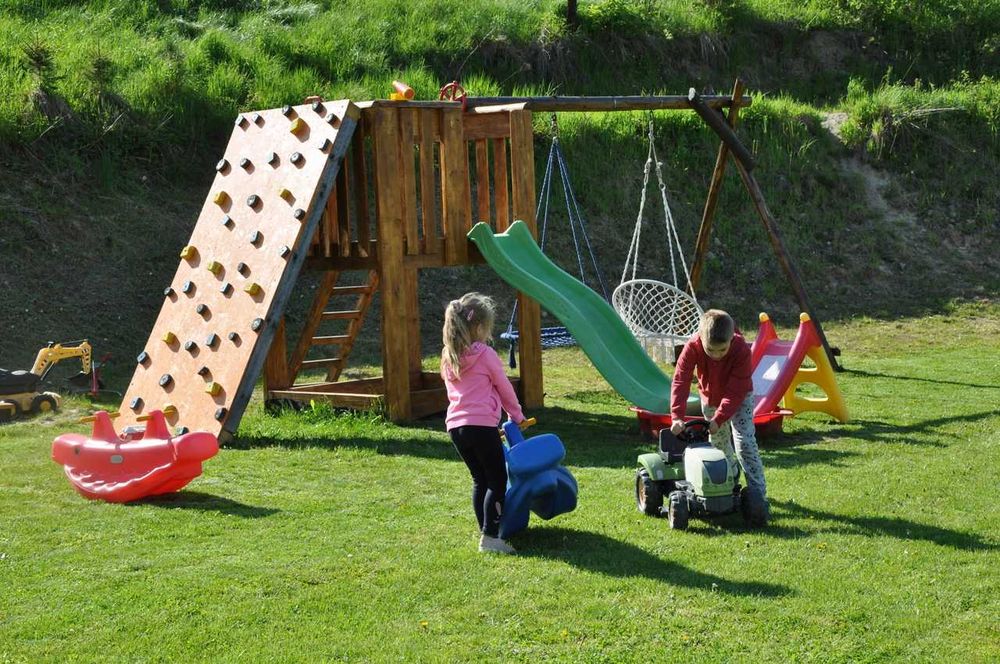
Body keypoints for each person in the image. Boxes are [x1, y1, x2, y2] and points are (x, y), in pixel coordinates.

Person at [441, 292, 526, 554]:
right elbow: (503, 387)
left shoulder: (448, 355)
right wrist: (516, 415)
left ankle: (486, 531)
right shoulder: (485, 354)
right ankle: (491, 538)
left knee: (480, 480)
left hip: (456, 428)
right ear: (478, 327)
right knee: (497, 481)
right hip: (480, 426)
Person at [669, 309, 769, 516]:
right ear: (701, 339)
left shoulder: (741, 350)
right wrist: (677, 416)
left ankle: (758, 495)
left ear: (731, 339)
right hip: (710, 398)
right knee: (719, 445)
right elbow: (681, 381)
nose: (716, 356)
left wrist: (720, 417)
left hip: (740, 398)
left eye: (722, 350)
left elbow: (735, 390)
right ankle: (727, 485)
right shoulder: (692, 347)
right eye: (710, 350)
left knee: (745, 443)